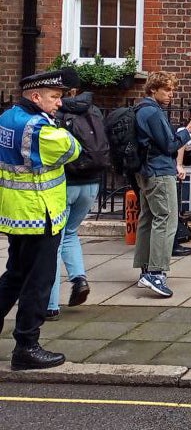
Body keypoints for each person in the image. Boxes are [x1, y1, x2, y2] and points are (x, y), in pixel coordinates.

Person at [0, 70, 80, 370]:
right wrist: (63, 126)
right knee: (39, 281)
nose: (59, 103)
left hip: (16, 212)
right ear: (36, 97)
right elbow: (73, 149)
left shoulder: (7, 118)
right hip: (40, 212)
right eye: (54, 97)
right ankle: (26, 346)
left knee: (15, 275)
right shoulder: (39, 128)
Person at [46, 69, 111, 320]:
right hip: (92, 183)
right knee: (71, 233)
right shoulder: (92, 109)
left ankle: (50, 305)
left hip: (66, 182)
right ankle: (79, 278)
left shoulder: (57, 112)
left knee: (55, 241)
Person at [134, 72, 191, 298]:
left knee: (148, 218)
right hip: (159, 171)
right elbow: (170, 145)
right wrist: (189, 130)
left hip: (145, 170)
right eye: (167, 90)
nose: (171, 94)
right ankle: (156, 272)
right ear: (153, 90)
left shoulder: (141, 109)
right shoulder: (152, 112)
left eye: (172, 90)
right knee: (166, 219)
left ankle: (145, 267)